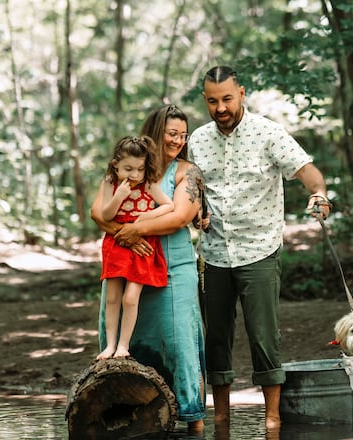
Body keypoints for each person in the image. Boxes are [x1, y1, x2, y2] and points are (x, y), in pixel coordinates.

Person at [187, 65, 331, 430]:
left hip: (259, 251)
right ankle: (221, 417)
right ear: (205, 100)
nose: (220, 107)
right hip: (214, 255)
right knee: (215, 336)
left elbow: (307, 171)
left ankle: (271, 420)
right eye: (212, 101)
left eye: (227, 99)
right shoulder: (197, 141)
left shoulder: (268, 133)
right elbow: (189, 192)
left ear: (242, 94)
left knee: (264, 335)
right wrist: (196, 215)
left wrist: (319, 194)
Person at [90, 105, 207, 432]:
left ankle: (191, 419)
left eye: (183, 135)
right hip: (126, 260)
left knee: (178, 343)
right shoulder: (128, 165)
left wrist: (136, 229)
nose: (177, 141)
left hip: (173, 268)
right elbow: (98, 213)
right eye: (171, 133)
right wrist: (123, 235)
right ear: (155, 131)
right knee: (127, 330)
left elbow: (180, 216)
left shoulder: (189, 172)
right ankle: (126, 415)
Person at [96, 135, 174, 360]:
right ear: (115, 165)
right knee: (112, 297)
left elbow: (169, 205)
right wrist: (119, 196)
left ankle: (123, 345)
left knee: (130, 298)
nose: (135, 175)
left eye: (140, 169)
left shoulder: (148, 184)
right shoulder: (111, 183)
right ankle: (109, 345)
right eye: (128, 168)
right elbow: (105, 215)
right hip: (116, 243)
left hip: (143, 245)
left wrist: (147, 215)